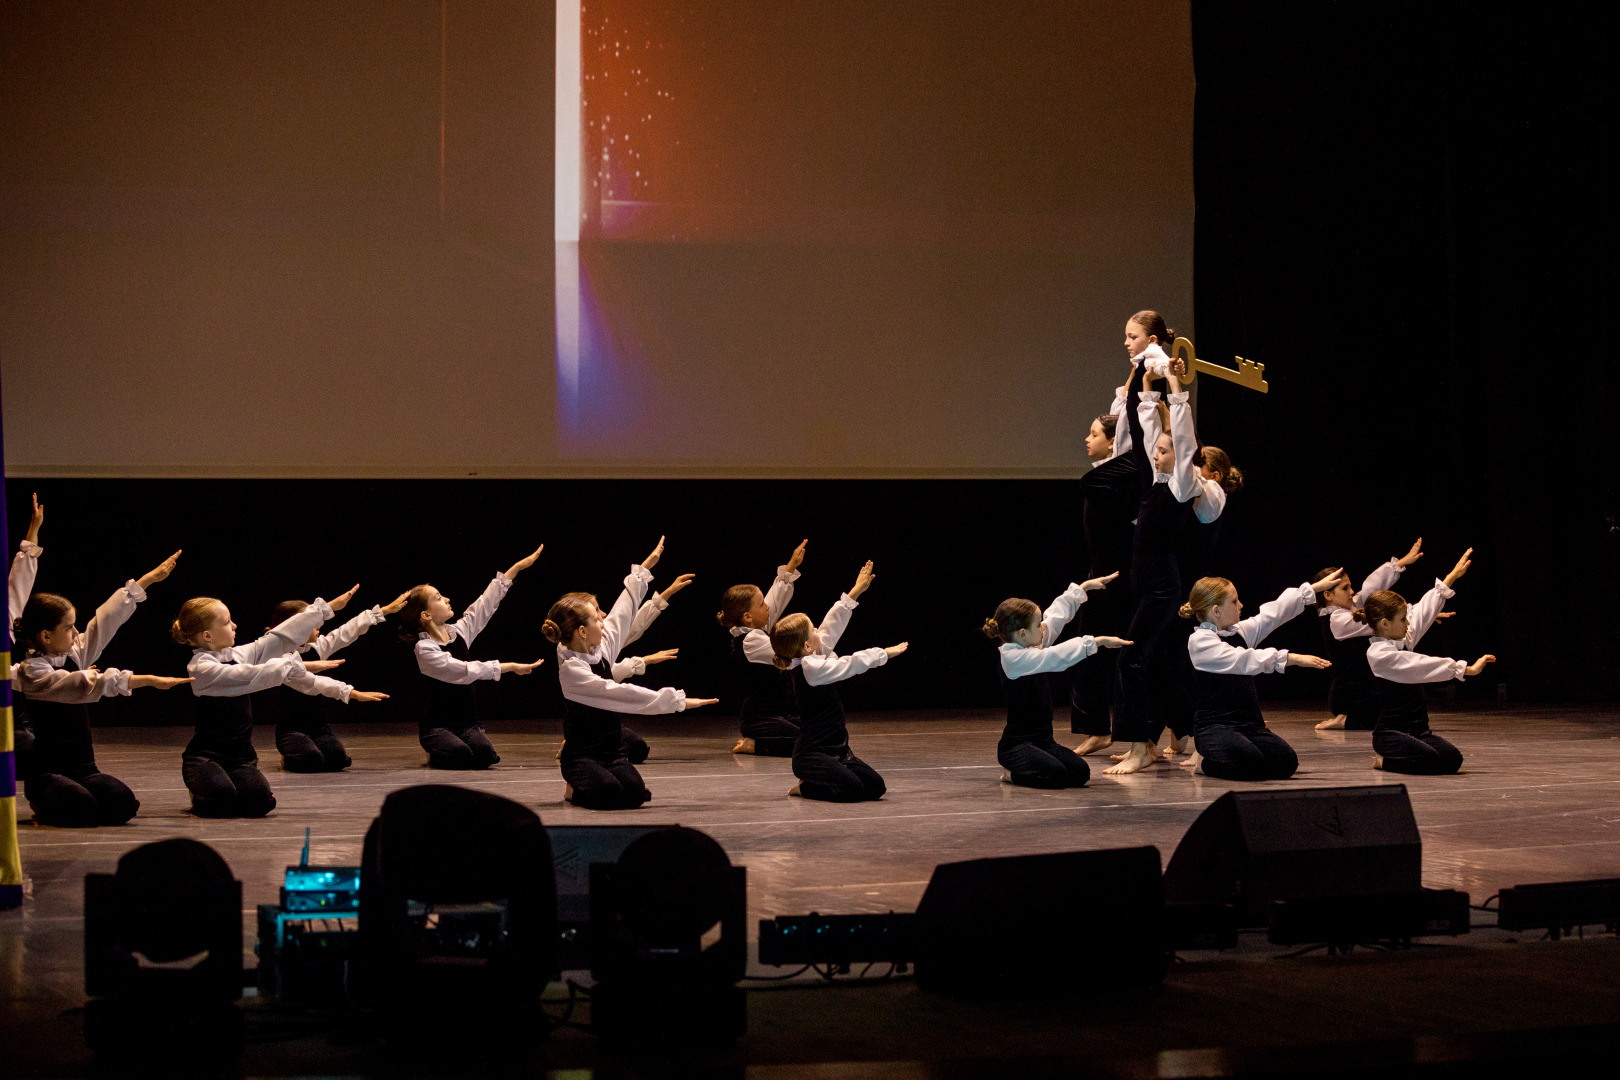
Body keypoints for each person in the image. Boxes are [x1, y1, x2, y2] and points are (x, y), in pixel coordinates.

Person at [13, 546, 188, 826]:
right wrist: (147, 681)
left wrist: (146, 581)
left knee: (123, 805)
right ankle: (40, 800)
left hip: (83, 769)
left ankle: (71, 798)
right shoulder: (32, 672)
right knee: (82, 809)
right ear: (46, 636)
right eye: (69, 627)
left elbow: (104, 621)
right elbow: (85, 682)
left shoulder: (73, 653)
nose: (75, 632)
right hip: (47, 771)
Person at [544, 536, 716, 810]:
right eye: (596, 617)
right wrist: (676, 701)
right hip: (582, 755)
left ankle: (604, 777)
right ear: (582, 631)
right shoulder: (572, 670)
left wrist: (643, 571)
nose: (604, 619)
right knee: (609, 793)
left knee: (636, 795)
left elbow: (623, 614)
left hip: (612, 751)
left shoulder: (600, 649)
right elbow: (619, 692)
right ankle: (572, 790)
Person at [174, 588, 373, 816]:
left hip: (240, 757)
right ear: (207, 636)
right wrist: (290, 664)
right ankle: (201, 790)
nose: (235, 626)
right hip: (206, 756)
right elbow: (249, 675)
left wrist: (323, 610)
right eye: (228, 622)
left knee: (261, 803)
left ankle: (229, 782)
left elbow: (275, 639)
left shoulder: (237, 655)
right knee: (221, 801)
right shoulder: (201, 668)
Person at [1106, 360, 1200, 775]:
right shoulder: (1156, 483)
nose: (1156, 454)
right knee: (1157, 663)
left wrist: (1176, 389)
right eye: (1157, 450)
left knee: (1131, 658)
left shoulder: (1182, 484)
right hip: (1145, 583)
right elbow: (1148, 430)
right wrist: (1147, 387)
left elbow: (1181, 437)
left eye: (1164, 451)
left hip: (1162, 586)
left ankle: (1140, 747)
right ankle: (1182, 733)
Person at [396, 544, 547, 769]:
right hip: (437, 726)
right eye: (438, 598)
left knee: (485, 756)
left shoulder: (458, 633)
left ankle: (460, 742)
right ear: (426, 615)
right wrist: (510, 666)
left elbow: (484, 605)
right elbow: (465, 671)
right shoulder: (425, 649)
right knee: (460, 755)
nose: (446, 599)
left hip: (467, 724)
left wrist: (515, 569)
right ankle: (434, 749)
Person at [1180, 573, 1340, 780]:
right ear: (1216, 610)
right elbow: (1241, 659)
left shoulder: (1239, 632)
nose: (1241, 605)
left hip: (1250, 725)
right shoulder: (1200, 641)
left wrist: (1313, 589)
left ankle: (1236, 754)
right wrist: (1291, 658)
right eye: (1234, 601)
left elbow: (1273, 614)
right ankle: (1205, 764)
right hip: (1215, 726)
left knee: (1286, 762)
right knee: (1250, 761)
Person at [769, 560, 906, 802]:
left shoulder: (811, 657)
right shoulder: (811, 669)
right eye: (813, 629)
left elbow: (832, 626)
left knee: (875, 787)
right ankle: (806, 787)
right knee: (852, 789)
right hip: (812, 755)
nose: (818, 630)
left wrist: (855, 591)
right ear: (806, 646)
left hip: (838, 750)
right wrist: (884, 653)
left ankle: (825, 777)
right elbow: (848, 665)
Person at [984, 573, 1129, 788]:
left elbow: (1054, 619)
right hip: (1017, 746)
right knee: (1057, 774)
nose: (1043, 627)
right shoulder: (1013, 659)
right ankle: (1011, 775)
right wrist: (1095, 643)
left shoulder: (1029, 644)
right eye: (1037, 625)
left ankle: (1035, 766)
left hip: (1043, 741)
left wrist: (1081, 590)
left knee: (1081, 772)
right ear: (1023, 634)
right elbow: (1055, 657)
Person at [1360, 547, 1494, 774]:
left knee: (1452, 759)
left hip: (1418, 731)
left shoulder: (1400, 640)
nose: (1407, 623)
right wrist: (1463, 669)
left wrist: (1450, 579)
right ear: (1384, 624)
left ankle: (1410, 753)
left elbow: (1423, 612)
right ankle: (1384, 761)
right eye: (1402, 619)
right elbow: (1419, 665)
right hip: (1391, 735)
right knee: (1430, 759)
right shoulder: (1379, 656)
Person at [257, 589, 408, 771]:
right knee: (310, 759)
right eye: (310, 623)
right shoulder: (279, 657)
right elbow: (313, 682)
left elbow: (347, 631)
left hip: (319, 728)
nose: (317, 626)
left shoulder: (317, 647)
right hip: (292, 730)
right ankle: (288, 757)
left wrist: (383, 611)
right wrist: (353, 693)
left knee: (338, 760)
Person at [1312, 539, 1427, 731]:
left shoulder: (1350, 609)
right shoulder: (1337, 621)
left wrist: (1401, 563)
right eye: (1344, 588)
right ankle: (1345, 720)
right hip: (1351, 694)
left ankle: (1349, 718)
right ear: (1328, 595)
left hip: (1365, 688)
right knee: (1395, 716)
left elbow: (1370, 587)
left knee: (1404, 704)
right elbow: (1378, 617)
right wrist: (1417, 611)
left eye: (1350, 586)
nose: (1351, 591)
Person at [1071, 417, 1134, 755]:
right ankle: (1097, 729)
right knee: (1088, 650)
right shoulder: (1104, 477)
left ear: (1114, 442)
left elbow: (1127, 421)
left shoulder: (1113, 480)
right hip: (1101, 578)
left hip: (1121, 579)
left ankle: (1156, 730)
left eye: (1093, 433)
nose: (1087, 438)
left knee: (1132, 652)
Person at [716, 539, 808, 756]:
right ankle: (756, 745)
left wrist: (791, 567)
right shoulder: (751, 641)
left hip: (782, 714)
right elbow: (789, 654)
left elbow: (774, 600)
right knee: (807, 741)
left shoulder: (755, 629)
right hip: (761, 719)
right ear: (747, 616)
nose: (767, 606)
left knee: (821, 730)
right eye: (761, 604)